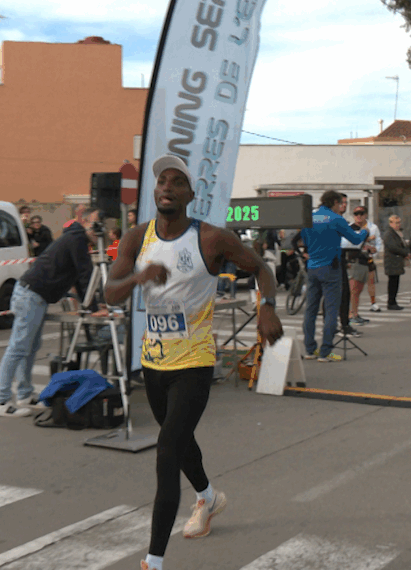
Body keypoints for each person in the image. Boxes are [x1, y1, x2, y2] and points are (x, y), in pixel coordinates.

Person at [103, 155, 281, 570]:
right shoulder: (135, 238)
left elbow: (262, 269)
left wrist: (267, 308)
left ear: (190, 195)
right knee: (179, 443)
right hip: (154, 363)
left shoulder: (212, 240)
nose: (166, 186)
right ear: (155, 192)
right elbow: (111, 293)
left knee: (167, 450)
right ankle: (208, 497)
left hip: (195, 361)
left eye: (176, 181)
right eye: (161, 181)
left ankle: (153, 560)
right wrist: (138, 279)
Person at [0, 209, 101, 417]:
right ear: (86, 222)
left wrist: (90, 305)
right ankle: (1, 401)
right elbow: (85, 273)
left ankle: (25, 394)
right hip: (31, 295)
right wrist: (94, 308)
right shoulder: (76, 239)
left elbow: (79, 277)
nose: (99, 234)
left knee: (31, 347)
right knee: (18, 348)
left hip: (35, 295)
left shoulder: (75, 238)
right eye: (96, 226)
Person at [300, 191, 368, 361]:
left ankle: (309, 349)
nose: (342, 207)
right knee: (331, 310)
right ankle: (325, 351)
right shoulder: (336, 219)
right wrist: (365, 232)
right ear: (335, 203)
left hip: (312, 267)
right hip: (330, 267)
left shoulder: (309, 217)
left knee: (311, 309)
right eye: (341, 204)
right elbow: (355, 239)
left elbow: (304, 241)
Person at [382, 215, 408, 310]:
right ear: (390, 223)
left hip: (397, 261)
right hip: (392, 261)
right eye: (396, 223)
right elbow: (393, 247)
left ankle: (393, 301)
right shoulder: (389, 234)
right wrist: (405, 253)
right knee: (392, 282)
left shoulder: (398, 233)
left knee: (396, 282)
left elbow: (402, 244)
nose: (398, 224)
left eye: (399, 222)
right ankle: (391, 302)